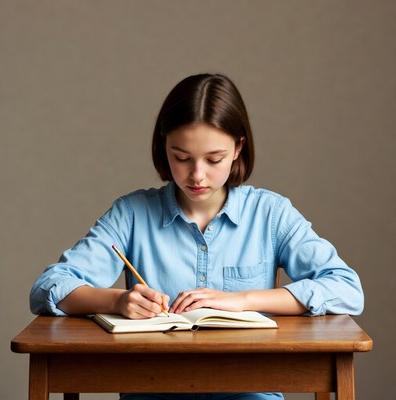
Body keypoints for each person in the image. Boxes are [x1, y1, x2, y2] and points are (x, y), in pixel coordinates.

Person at [30, 73, 364, 400]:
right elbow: (49, 286)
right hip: (150, 384)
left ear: (238, 148)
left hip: (248, 385)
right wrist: (117, 301)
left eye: (214, 159)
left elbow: (346, 289)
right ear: (164, 147)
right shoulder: (131, 214)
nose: (197, 175)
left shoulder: (271, 213)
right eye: (182, 158)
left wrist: (243, 301)